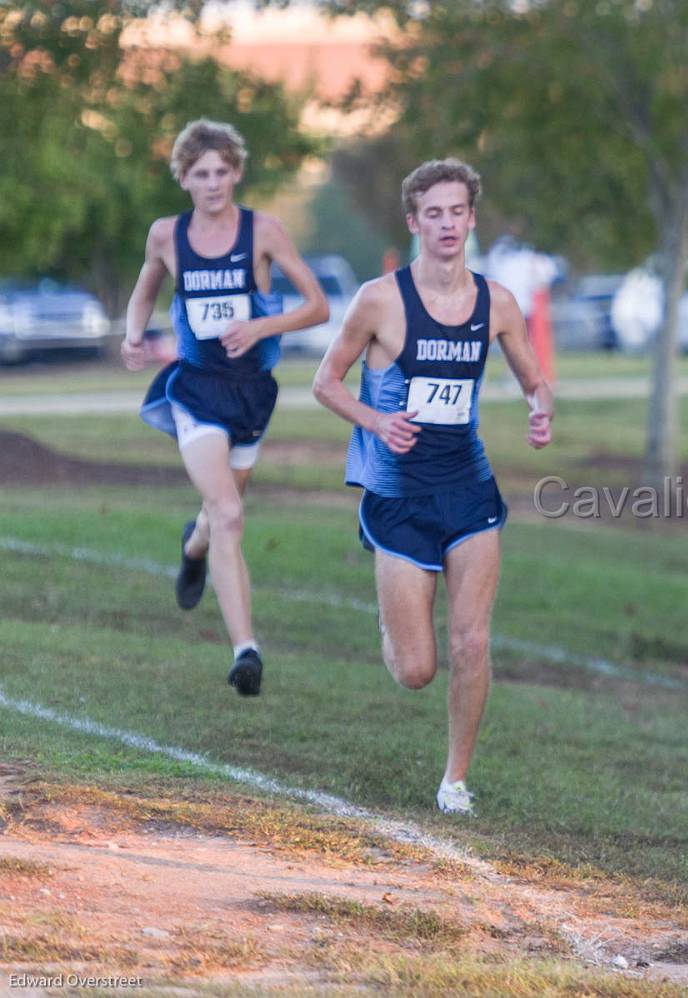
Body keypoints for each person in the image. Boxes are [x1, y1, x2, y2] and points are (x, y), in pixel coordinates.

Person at [311, 159, 554, 815]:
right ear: (415, 222)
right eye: (434, 214)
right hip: (396, 498)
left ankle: (455, 781)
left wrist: (540, 407)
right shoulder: (379, 300)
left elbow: (535, 378)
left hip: (469, 490)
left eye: (458, 211)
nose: (447, 224)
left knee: (472, 641)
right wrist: (375, 421)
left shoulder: (497, 302)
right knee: (417, 669)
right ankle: (394, 623)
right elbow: (326, 383)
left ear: (472, 218)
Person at [122, 119, 329, 697]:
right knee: (231, 514)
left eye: (222, 172)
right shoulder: (167, 234)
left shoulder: (264, 231)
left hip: (252, 393)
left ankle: (194, 547)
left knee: (219, 515)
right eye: (200, 173)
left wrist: (261, 324)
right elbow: (145, 285)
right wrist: (134, 334)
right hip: (196, 390)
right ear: (184, 178)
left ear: (236, 172)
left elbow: (317, 306)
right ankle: (247, 651)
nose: (213, 183)